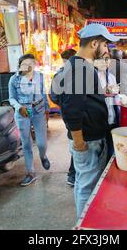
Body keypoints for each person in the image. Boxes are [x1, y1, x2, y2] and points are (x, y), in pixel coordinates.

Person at [55, 23, 119, 218]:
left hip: (88, 136)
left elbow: (57, 96)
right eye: (105, 45)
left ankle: (82, 219)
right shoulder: (81, 69)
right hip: (87, 139)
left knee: (84, 182)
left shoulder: (74, 66)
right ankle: (85, 225)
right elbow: (72, 110)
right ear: (94, 43)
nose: (107, 50)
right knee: (88, 185)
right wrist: (79, 141)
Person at [8, 54, 51, 186]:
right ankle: (30, 173)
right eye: (25, 63)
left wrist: (47, 108)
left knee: (42, 143)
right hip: (23, 113)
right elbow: (11, 98)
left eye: (30, 63)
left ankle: (43, 156)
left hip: (38, 111)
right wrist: (19, 107)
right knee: (26, 144)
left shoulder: (39, 76)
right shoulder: (14, 80)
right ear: (20, 65)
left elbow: (43, 92)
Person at [50, 48, 77, 187]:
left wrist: (62, 104)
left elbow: (53, 95)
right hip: (74, 114)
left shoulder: (60, 74)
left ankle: (73, 174)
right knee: (76, 141)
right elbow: (53, 95)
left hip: (67, 114)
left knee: (74, 140)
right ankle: (72, 174)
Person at [94, 53, 120, 162]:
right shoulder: (92, 76)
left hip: (112, 115)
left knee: (111, 145)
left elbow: (115, 95)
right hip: (98, 117)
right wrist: (102, 92)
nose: (105, 62)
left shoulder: (111, 76)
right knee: (100, 149)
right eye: (102, 59)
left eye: (107, 59)